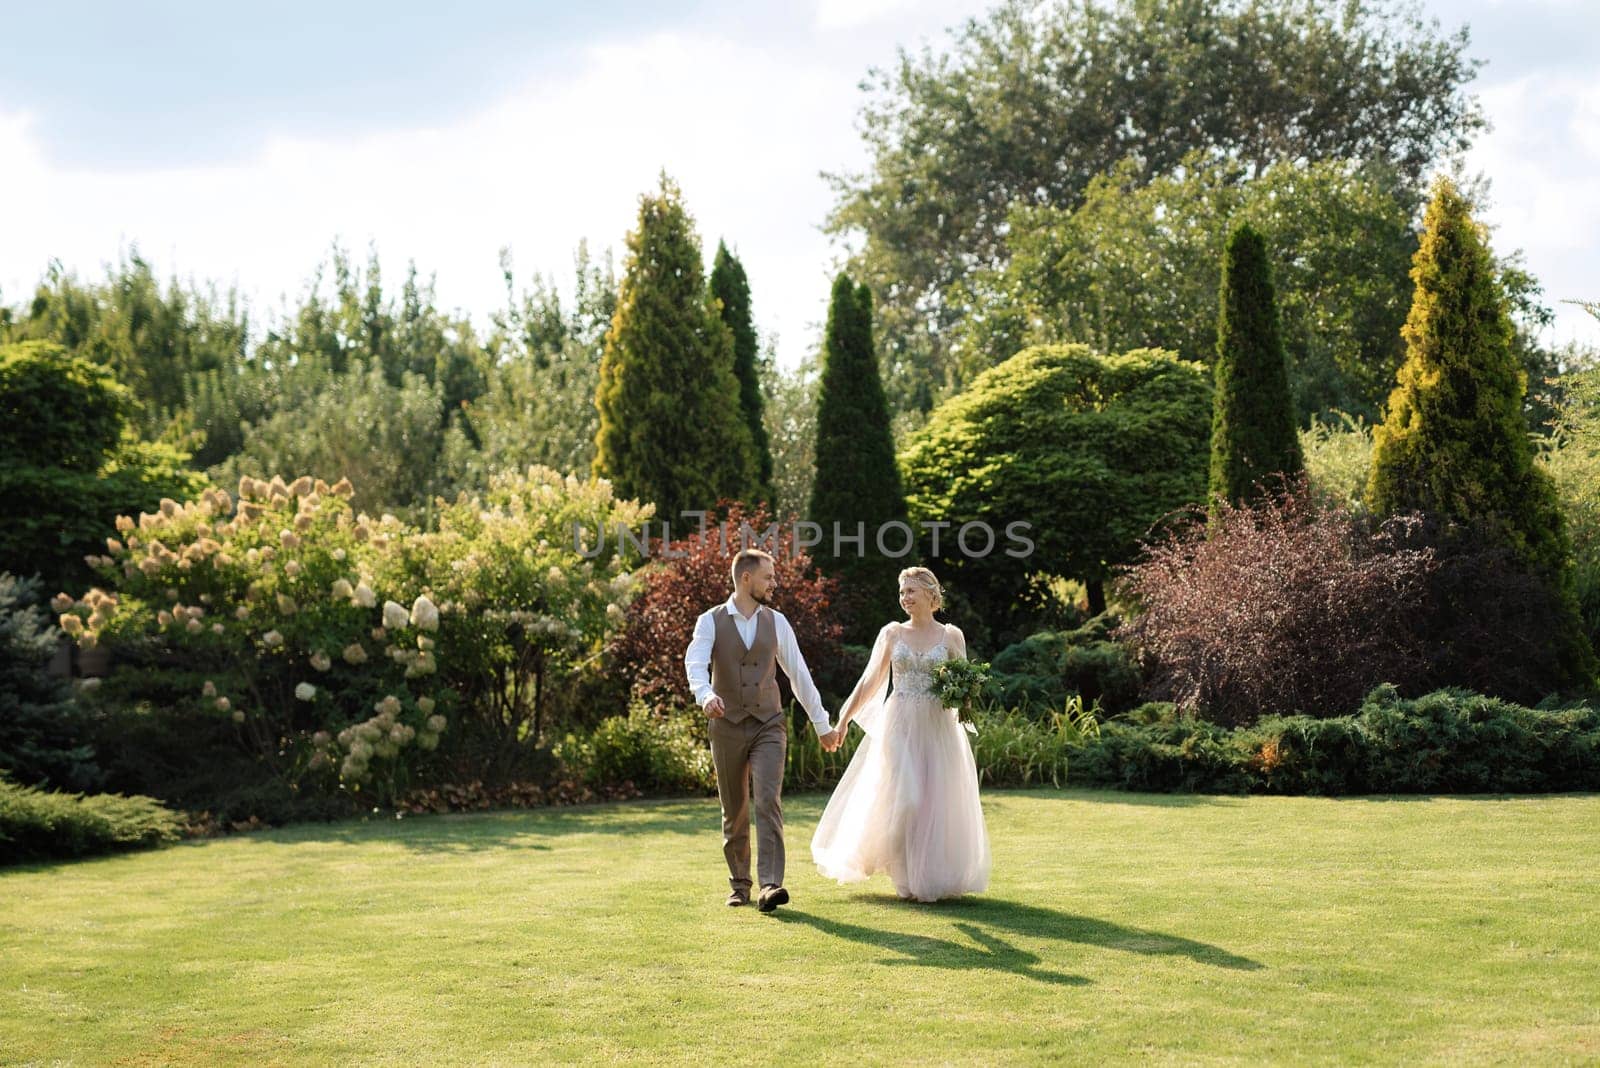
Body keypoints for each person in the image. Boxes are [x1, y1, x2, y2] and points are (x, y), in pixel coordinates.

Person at [810, 566, 990, 902]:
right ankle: (887, 863)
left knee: (934, 801)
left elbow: (965, 682)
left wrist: (965, 694)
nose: (904, 598)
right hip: (900, 723)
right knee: (906, 797)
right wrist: (844, 719)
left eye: (910, 591)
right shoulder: (892, 633)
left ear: (930, 594)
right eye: (902, 592)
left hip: (938, 727)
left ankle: (920, 879)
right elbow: (870, 681)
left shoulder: (952, 635)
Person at [684, 548, 837, 912]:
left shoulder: (777, 622)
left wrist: (822, 724)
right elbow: (695, 663)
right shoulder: (710, 620)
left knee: (768, 800)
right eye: (768, 577)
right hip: (726, 725)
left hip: (769, 723)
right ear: (746, 578)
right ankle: (740, 885)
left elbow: (798, 674)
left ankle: (771, 885)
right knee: (734, 808)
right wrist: (705, 696)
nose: (774, 583)